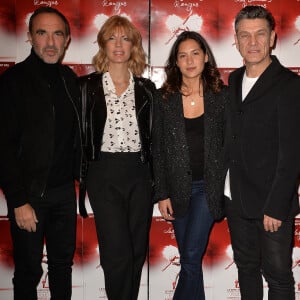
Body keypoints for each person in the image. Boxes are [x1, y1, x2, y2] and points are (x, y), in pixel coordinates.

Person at [0, 7, 81, 300]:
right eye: (42, 33)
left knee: (63, 267)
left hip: (62, 194)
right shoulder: (13, 81)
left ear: (67, 40)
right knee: (28, 271)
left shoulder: (70, 80)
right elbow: (3, 147)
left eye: (57, 34)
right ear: (30, 38)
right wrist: (19, 201)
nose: (50, 42)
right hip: (29, 195)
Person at [224, 5, 300, 300]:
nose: (252, 42)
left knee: (279, 277)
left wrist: (277, 206)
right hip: (235, 199)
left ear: (272, 38)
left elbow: (292, 153)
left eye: (260, 34)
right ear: (236, 40)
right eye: (245, 35)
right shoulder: (232, 80)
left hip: (271, 205)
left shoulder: (290, 85)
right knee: (246, 269)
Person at [79, 15, 156, 300]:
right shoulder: (86, 88)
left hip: (140, 173)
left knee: (136, 251)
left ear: (134, 45)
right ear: (103, 45)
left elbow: (155, 139)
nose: (119, 44)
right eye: (112, 37)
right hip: (104, 173)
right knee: (116, 252)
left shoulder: (147, 89)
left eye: (125, 38)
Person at [153, 31, 228, 300]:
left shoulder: (222, 97)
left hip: (209, 189)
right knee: (189, 259)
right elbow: (158, 150)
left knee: (192, 255)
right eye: (182, 56)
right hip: (178, 190)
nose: (190, 60)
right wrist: (162, 193)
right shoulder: (164, 100)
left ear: (206, 56)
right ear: (176, 62)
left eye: (195, 53)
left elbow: (231, 146)